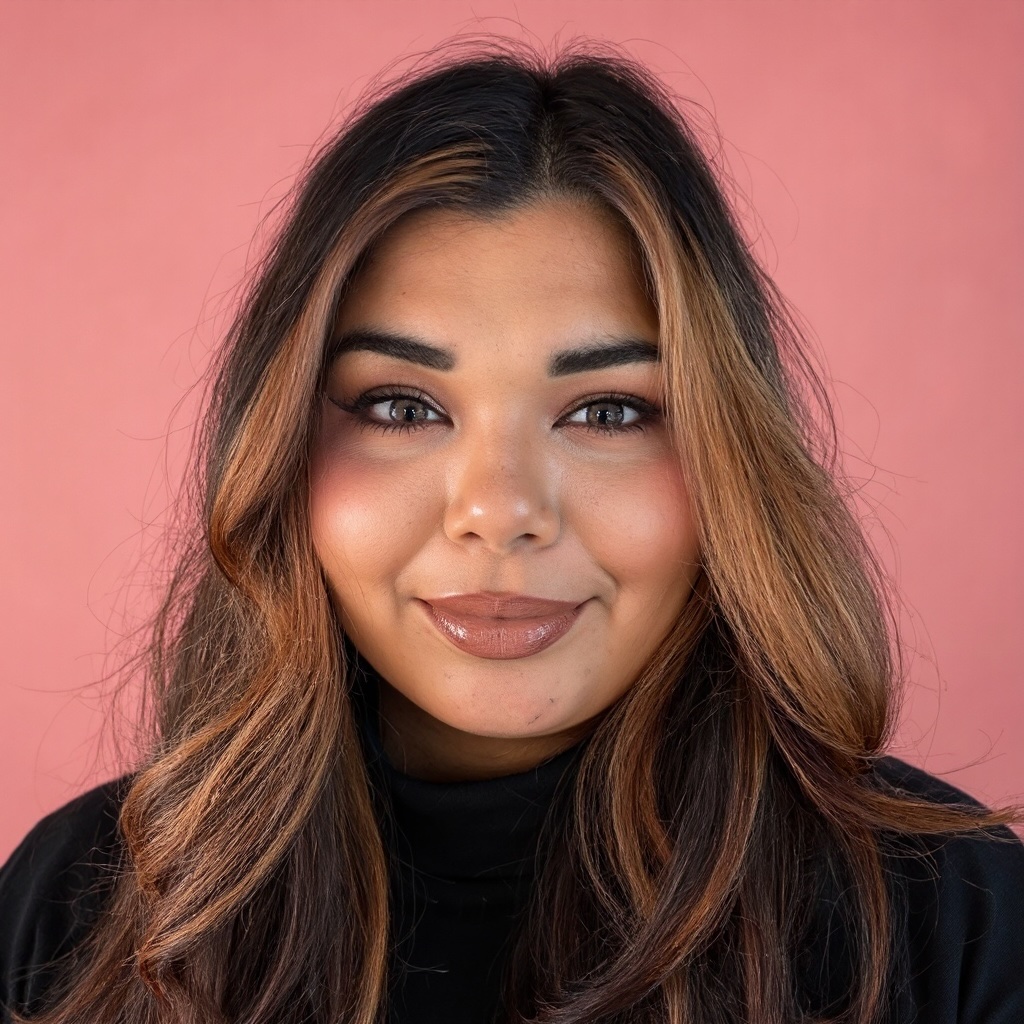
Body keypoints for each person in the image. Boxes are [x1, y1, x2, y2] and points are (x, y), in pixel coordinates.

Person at [1, 39, 1022, 1024]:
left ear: (729, 453)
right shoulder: (85, 904)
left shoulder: (959, 926)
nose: (497, 511)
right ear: (279, 450)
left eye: (608, 411)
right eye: (401, 406)